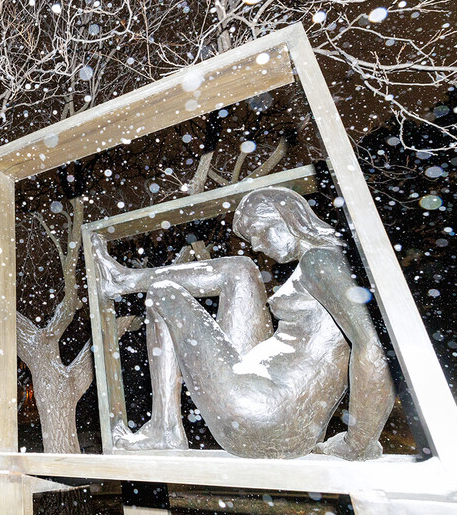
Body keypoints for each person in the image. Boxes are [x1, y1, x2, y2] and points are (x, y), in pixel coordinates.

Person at [91, 187, 394, 460]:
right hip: (278, 415)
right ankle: (122, 279)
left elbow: (375, 349)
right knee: (241, 269)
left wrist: (358, 443)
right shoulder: (325, 262)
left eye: (262, 233)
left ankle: (164, 429)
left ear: (288, 217)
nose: (259, 245)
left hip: (263, 414)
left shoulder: (321, 261)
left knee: (163, 294)